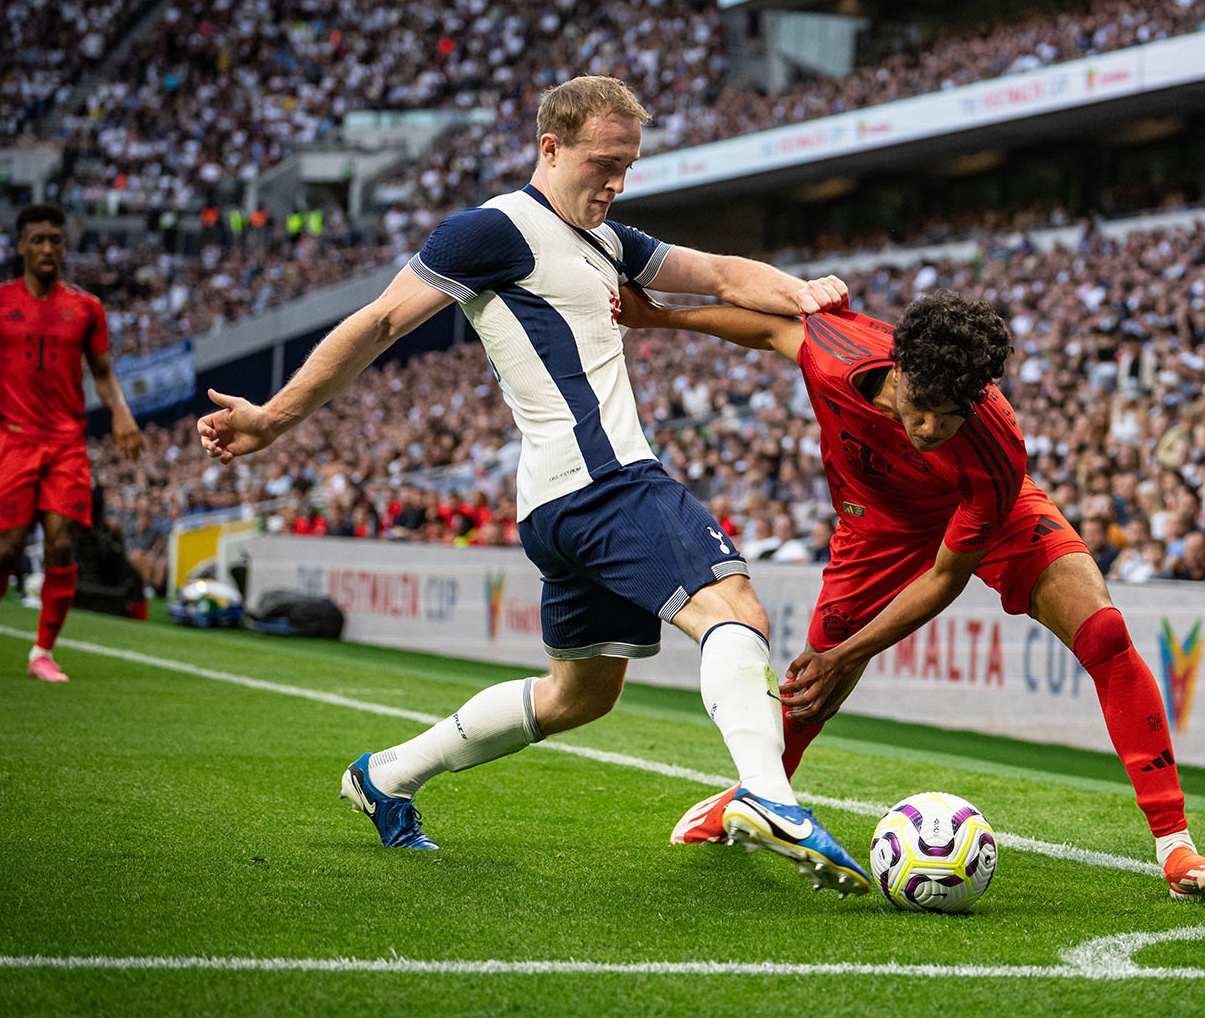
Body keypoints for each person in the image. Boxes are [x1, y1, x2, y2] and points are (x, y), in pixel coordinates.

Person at [196, 76, 869, 894]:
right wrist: (273, 418)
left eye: (628, 165)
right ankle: (770, 796)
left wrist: (800, 292)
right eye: (603, 162)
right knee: (734, 609)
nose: (616, 182)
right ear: (549, 147)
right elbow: (378, 321)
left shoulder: (606, 240)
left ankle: (385, 777)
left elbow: (723, 274)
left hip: (558, 500)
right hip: (605, 482)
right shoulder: (493, 229)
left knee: (578, 696)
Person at [632, 290, 1205, 901]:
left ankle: (1176, 849)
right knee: (808, 695)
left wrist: (849, 653)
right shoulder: (838, 357)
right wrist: (657, 314)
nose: (929, 429)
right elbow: (768, 327)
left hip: (986, 516)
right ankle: (754, 798)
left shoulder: (995, 446)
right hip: (875, 527)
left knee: (1106, 635)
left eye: (949, 415)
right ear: (898, 370)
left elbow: (944, 577)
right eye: (920, 406)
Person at [0, 205, 144, 682]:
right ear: (21, 246)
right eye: (38, 240)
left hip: (66, 442)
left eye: (55, 239)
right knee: (7, 547)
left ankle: (42, 652)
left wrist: (122, 413)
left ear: (63, 246)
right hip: (13, 440)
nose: (48, 248)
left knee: (60, 542)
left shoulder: (86, 308)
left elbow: (103, 373)